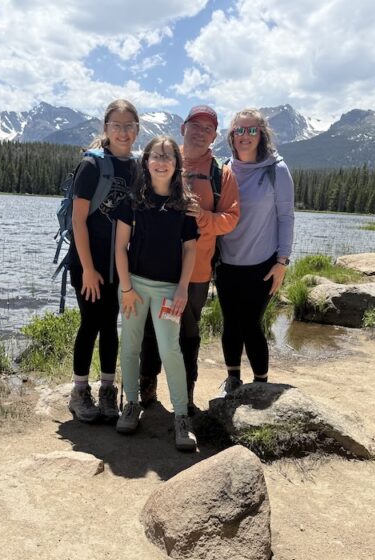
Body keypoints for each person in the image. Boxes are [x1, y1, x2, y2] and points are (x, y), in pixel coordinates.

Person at [138, 105, 240, 415]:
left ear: (215, 136)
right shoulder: (165, 159)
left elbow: (232, 218)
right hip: (155, 269)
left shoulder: (221, 173)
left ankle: (186, 395)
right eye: (195, 125)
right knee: (151, 330)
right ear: (183, 128)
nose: (201, 132)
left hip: (196, 271)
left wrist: (205, 217)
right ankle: (147, 389)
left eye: (208, 128)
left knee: (188, 335)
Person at [113, 136, 199, 451]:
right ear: (146, 162)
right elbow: (120, 248)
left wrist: (183, 289)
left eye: (168, 157)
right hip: (133, 287)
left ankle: (181, 417)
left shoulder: (184, 206)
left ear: (177, 165)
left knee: (170, 349)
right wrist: (125, 288)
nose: (161, 162)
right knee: (130, 346)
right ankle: (131, 404)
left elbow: (190, 250)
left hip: (168, 291)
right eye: (156, 156)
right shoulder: (133, 202)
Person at [67, 99, 139, 423]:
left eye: (128, 126)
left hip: (117, 266)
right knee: (90, 324)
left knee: (110, 325)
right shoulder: (92, 165)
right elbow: (78, 221)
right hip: (88, 265)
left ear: (137, 129)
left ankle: (107, 390)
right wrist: (88, 270)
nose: (123, 132)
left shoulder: (137, 168)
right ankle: (79, 392)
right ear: (106, 128)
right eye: (116, 125)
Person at [215, 108, 295, 396]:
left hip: (263, 264)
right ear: (232, 135)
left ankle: (261, 385)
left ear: (261, 135)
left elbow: (286, 217)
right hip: (226, 263)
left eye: (251, 130)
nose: (245, 136)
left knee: (251, 323)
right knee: (230, 324)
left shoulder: (277, 170)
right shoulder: (224, 169)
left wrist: (282, 261)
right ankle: (233, 380)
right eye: (239, 130)